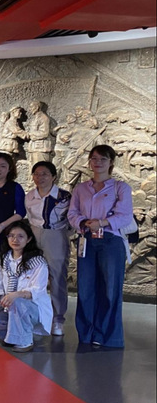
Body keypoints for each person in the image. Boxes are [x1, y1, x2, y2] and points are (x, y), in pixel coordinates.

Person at [67, 145, 132, 348]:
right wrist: (84, 222)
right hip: (87, 240)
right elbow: (72, 213)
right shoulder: (81, 188)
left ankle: (109, 336)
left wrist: (102, 223)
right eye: (94, 159)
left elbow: (125, 216)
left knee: (110, 289)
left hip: (111, 241)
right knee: (86, 288)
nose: (98, 163)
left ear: (111, 162)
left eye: (103, 159)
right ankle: (87, 334)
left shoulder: (120, 187)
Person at [0, 221, 52, 353]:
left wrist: (17, 295)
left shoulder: (38, 262)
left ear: (28, 239)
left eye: (20, 236)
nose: (15, 240)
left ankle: (25, 341)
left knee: (17, 302)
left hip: (33, 309)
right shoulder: (4, 259)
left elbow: (38, 290)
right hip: (9, 308)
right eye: (11, 236)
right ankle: (14, 336)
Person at [25, 161, 71, 336]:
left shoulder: (64, 196)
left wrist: (63, 235)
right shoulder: (30, 196)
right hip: (34, 235)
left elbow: (71, 219)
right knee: (33, 275)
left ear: (53, 176)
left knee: (57, 277)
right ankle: (35, 316)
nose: (40, 177)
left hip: (55, 235)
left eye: (44, 174)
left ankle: (58, 319)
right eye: (36, 174)